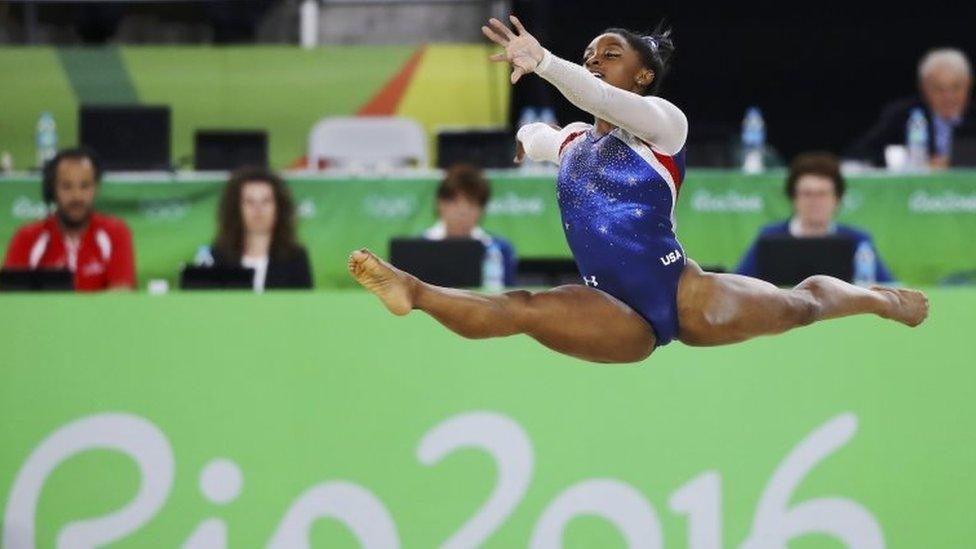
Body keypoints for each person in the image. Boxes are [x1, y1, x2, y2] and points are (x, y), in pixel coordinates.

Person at [348, 16, 928, 364]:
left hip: (682, 294)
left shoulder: (663, 126)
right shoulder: (575, 140)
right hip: (612, 311)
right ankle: (412, 291)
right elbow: (541, 132)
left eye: (610, 55)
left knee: (802, 304)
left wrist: (546, 61)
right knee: (519, 308)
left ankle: (878, 299)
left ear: (642, 76)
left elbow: (598, 101)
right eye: (589, 56)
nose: (595, 61)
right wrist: (529, 140)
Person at [736, 152, 894, 283]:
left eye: (822, 194)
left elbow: (888, 287)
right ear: (793, 198)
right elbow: (738, 284)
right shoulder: (769, 238)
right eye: (807, 194)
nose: (815, 202)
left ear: (837, 199)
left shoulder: (858, 240)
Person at [3, 148, 135, 291]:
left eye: (84, 186)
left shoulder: (115, 232)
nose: (76, 196)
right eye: (66, 186)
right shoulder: (27, 237)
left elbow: (122, 291)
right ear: (52, 189)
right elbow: (10, 296)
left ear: (96, 188)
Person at [846, 48, 975, 168]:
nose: (948, 97)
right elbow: (859, 153)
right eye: (938, 89)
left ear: (969, 84)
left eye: (956, 88)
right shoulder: (903, 114)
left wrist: (953, 161)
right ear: (924, 87)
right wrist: (911, 161)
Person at [202, 167, 313, 291]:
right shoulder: (218, 256)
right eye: (249, 202)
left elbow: (303, 305)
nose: (258, 209)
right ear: (236, 208)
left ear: (279, 208)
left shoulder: (295, 258)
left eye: (266, 201)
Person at [423, 164, 517, 286]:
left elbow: (508, 299)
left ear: (482, 210)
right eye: (454, 202)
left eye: (471, 203)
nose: (463, 211)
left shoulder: (499, 249)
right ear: (439, 204)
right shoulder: (417, 248)